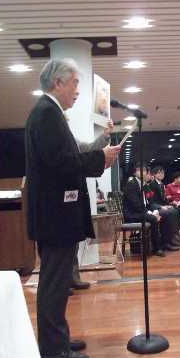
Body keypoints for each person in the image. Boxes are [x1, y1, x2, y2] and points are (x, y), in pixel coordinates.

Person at [25, 58, 121, 358]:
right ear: (58, 83)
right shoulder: (46, 114)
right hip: (54, 214)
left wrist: (99, 157)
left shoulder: (50, 113)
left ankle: (58, 339)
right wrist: (100, 159)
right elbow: (63, 163)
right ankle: (52, 348)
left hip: (55, 213)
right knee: (54, 282)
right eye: (75, 83)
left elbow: (66, 158)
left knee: (58, 280)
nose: (78, 90)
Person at [70, 120, 114, 292]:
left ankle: (73, 277)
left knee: (73, 239)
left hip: (74, 193)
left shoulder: (71, 139)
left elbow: (89, 148)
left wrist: (105, 136)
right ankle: (64, 280)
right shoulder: (52, 137)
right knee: (63, 243)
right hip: (58, 194)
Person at [123, 165, 174, 257]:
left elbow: (149, 202)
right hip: (132, 214)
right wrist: (150, 213)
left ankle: (165, 243)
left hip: (140, 212)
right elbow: (135, 205)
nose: (141, 172)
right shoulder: (131, 184)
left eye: (143, 170)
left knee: (164, 214)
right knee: (153, 219)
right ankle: (156, 248)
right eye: (138, 170)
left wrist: (155, 211)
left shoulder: (144, 184)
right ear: (135, 172)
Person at [148, 166, 180, 246]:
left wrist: (169, 204)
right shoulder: (152, 185)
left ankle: (175, 233)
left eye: (163, 173)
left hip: (162, 205)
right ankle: (168, 239)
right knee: (170, 212)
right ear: (154, 174)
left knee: (178, 210)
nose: (161, 174)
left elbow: (164, 199)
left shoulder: (161, 184)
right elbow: (152, 201)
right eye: (159, 173)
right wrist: (162, 206)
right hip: (156, 207)